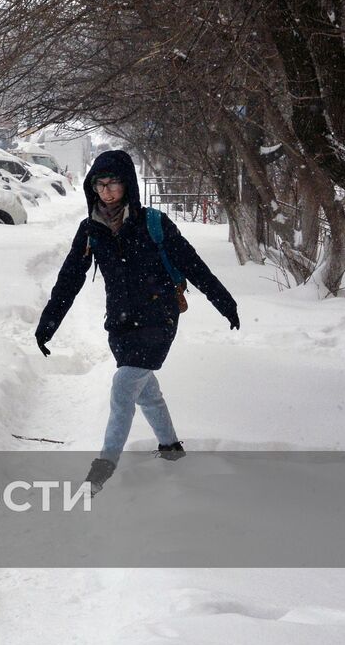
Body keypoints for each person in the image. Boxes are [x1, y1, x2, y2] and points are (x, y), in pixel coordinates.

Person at [35, 150, 239, 492]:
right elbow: (69, 279)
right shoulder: (90, 231)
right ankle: (171, 449)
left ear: (127, 183)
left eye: (113, 182)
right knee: (145, 391)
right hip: (120, 324)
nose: (106, 191)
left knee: (123, 387)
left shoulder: (153, 223)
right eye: (99, 184)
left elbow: (193, 264)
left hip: (159, 319)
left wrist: (224, 302)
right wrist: (48, 324)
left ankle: (103, 468)